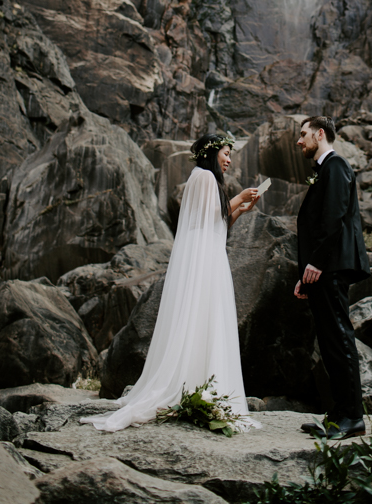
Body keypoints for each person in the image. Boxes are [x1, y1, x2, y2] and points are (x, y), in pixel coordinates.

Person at [83, 133, 261, 432]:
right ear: (212, 153)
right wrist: (239, 198)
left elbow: (214, 223)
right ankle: (192, 385)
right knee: (205, 318)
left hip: (209, 255)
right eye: (226, 153)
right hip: (206, 260)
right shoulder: (204, 177)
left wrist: (239, 210)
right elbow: (207, 223)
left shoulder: (205, 178)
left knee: (207, 319)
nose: (229, 160)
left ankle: (202, 385)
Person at [295, 115, 370, 440]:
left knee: (339, 337)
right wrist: (305, 275)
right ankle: (339, 413)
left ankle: (353, 416)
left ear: (320, 133)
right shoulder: (327, 169)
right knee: (329, 340)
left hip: (332, 265)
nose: (299, 141)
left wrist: (317, 263)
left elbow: (334, 218)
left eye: (303, 134)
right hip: (323, 267)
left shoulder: (336, 166)